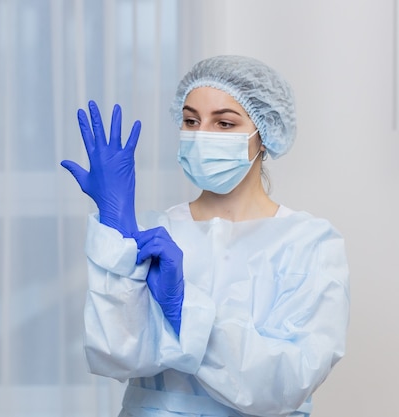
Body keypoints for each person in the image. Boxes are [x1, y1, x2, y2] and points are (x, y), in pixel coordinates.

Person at [61, 55, 350, 417]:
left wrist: (182, 307)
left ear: (265, 134)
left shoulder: (308, 243)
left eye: (224, 123)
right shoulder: (154, 234)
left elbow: (288, 382)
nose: (202, 136)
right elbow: (116, 355)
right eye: (191, 120)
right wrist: (115, 230)